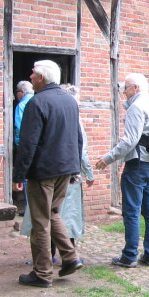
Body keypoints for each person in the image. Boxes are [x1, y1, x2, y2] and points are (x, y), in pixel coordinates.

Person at [12, 60, 84, 288]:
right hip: (65, 170)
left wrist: (18, 175)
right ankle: (70, 257)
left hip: (43, 172)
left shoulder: (37, 102)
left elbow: (28, 144)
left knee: (40, 222)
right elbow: (78, 138)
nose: (30, 76)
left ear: (41, 77)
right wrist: (74, 168)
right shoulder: (70, 101)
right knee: (53, 213)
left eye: (33, 73)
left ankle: (42, 273)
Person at [95, 73, 149, 267]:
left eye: (126, 88)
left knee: (131, 211)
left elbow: (130, 140)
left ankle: (130, 255)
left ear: (136, 88)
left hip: (137, 164)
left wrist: (108, 158)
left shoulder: (136, 107)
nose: (124, 92)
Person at [20, 85, 94, 257]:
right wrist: (87, 172)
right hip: (68, 173)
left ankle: (59, 256)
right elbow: (80, 150)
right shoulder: (73, 118)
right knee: (64, 215)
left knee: (55, 215)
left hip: (56, 172)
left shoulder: (58, 113)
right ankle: (67, 255)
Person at [13, 80, 34, 216]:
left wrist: (19, 144)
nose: (16, 95)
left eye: (17, 93)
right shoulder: (38, 101)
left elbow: (20, 127)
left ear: (21, 92)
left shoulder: (21, 105)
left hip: (25, 146)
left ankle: (28, 209)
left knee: (25, 177)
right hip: (38, 145)